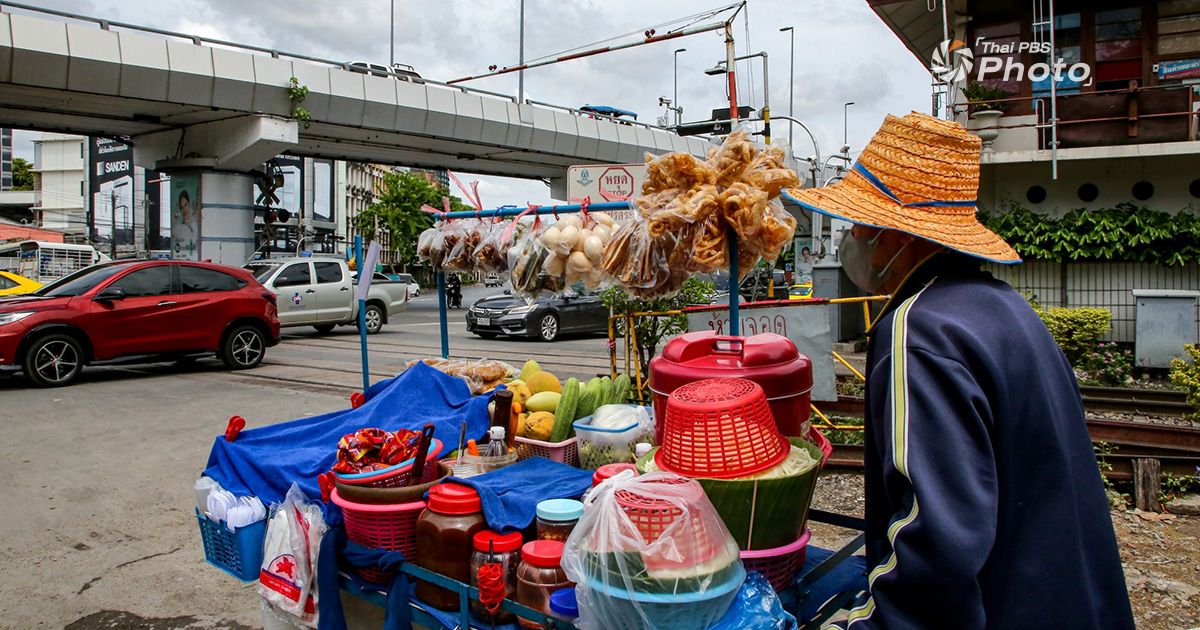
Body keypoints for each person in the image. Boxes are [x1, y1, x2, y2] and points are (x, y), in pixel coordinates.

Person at [789, 112, 1134, 628]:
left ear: (898, 238)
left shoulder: (918, 330)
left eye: (861, 225)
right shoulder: (1005, 308)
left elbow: (936, 543)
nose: (852, 240)